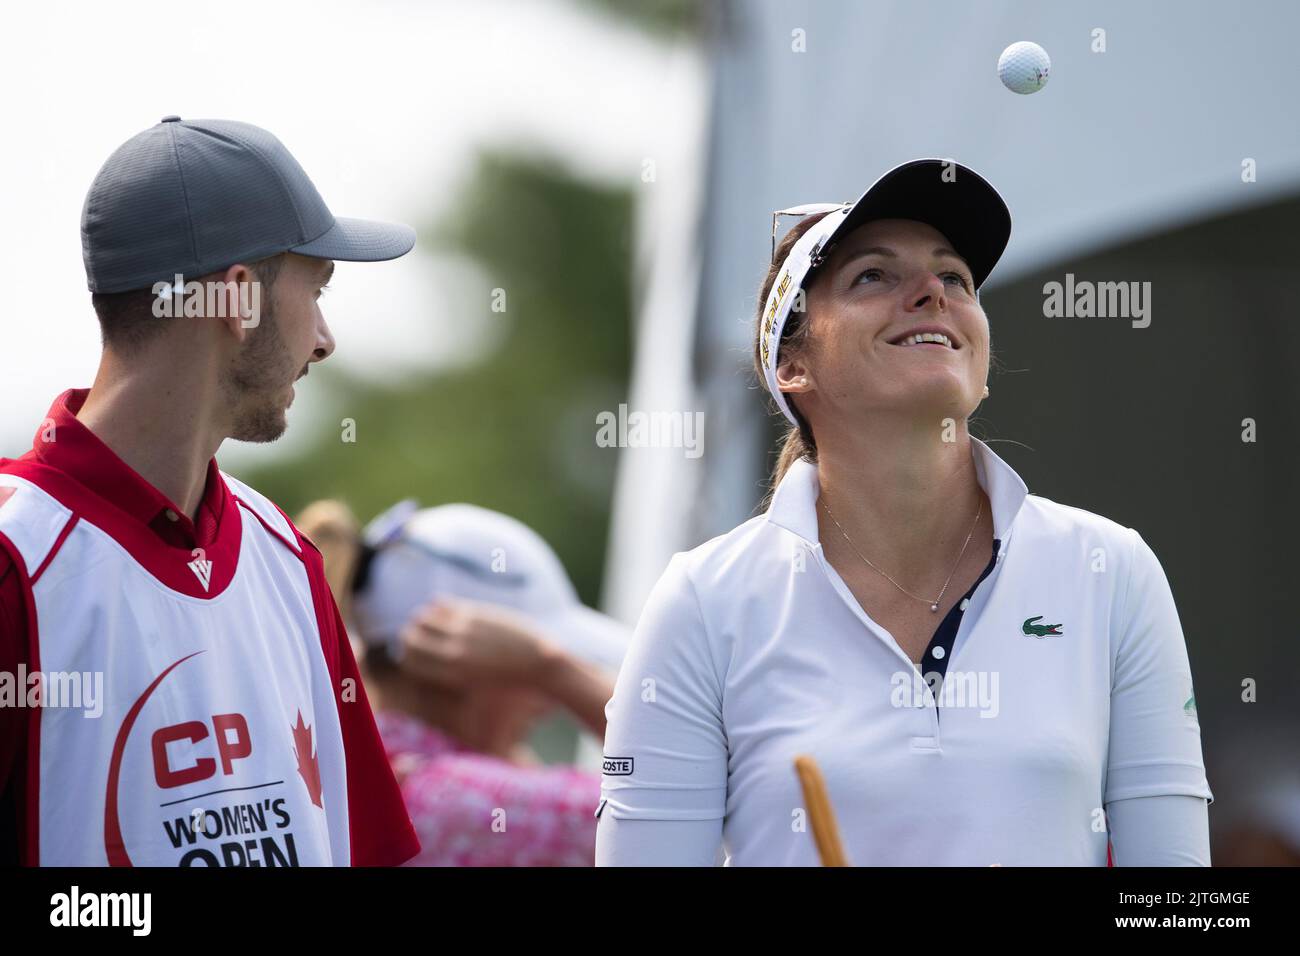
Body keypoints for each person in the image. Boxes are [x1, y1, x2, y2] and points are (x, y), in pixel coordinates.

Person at [595, 159, 1214, 866]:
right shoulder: (703, 600)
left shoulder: (1113, 568)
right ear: (792, 367)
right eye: (873, 276)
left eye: (954, 278)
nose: (932, 293)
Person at [0, 117, 420, 866]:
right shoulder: (16, 562)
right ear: (238, 300)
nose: (324, 339)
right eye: (316, 290)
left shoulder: (288, 556)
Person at [297, 498, 626, 866]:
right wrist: (557, 670)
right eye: (527, 672)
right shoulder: (456, 799)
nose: (549, 706)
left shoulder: (357, 767)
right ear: (455, 663)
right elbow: (667, 803)